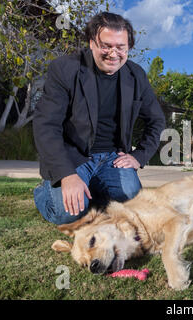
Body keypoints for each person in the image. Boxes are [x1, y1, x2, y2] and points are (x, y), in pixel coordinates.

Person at [33, 12, 165, 225]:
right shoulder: (65, 69)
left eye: (120, 47)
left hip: (113, 158)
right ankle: (43, 194)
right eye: (106, 45)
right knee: (69, 214)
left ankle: (92, 193)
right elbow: (46, 125)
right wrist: (66, 174)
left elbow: (156, 120)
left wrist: (139, 156)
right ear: (91, 43)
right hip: (73, 157)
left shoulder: (136, 75)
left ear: (128, 47)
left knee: (134, 207)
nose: (113, 53)